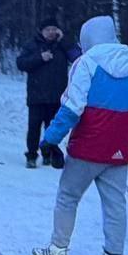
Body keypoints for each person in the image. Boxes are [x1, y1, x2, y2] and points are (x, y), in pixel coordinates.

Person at [32, 15, 128, 255]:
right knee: (115, 204)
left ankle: (58, 250)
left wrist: (50, 139)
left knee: (68, 196)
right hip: (120, 146)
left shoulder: (87, 62)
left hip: (88, 145)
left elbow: (72, 108)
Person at [15, 17, 80, 168]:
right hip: (36, 96)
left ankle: (48, 154)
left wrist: (64, 41)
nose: (51, 32)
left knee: (52, 128)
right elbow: (21, 63)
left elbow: (78, 58)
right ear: (41, 31)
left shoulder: (62, 46)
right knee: (34, 128)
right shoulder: (32, 45)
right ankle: (31, 156)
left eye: (53, 29)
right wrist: (40, 58)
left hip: (56, 95)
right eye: (47, 30)